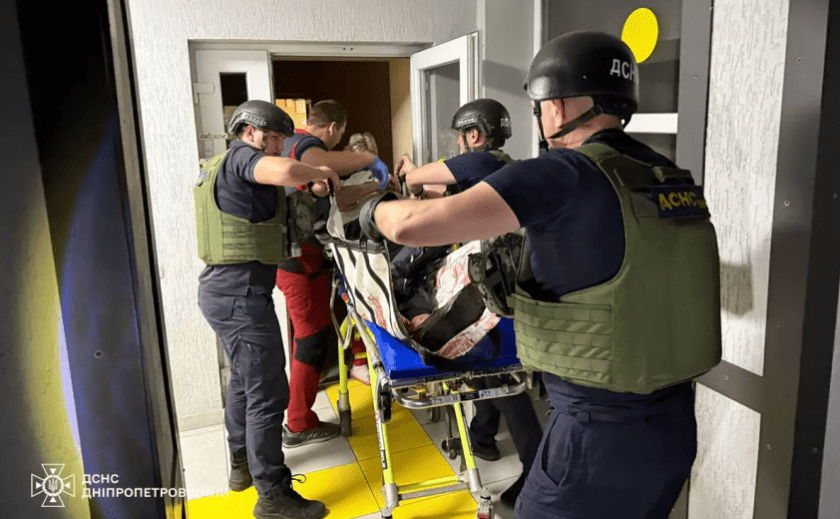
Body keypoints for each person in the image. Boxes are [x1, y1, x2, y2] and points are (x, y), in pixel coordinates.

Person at [360, 31, 722, 519]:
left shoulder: (560, 173)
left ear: (559, 105)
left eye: (541, 104)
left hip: (595, 435)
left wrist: (374, 210)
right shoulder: (666, 176)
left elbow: (409, 225)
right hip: (674, 427)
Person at [195, 99, 339, 519]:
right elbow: (286, 171)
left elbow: (283, 193)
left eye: (280, 139)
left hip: (228, 293)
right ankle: (273, 495)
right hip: (238, 297)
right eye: (273, 138)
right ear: (249, 131)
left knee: (244, 382)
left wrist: (310, 187)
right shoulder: (242, 156)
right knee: (267, 391)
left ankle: (241, 464)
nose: (277, 146)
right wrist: (319, 170)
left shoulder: (229, 167)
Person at [276, 100, 390, 449]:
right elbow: (317, 162)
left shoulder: (290, 145)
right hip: (300, 266)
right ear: (332, 128)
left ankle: (300, 418)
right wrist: (368, 160)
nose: (338, 144)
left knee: (314, 336)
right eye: (339, 137)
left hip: (303, 262)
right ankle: (298, 423)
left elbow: (326, 191)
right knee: (309, 341)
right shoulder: (302, 145)